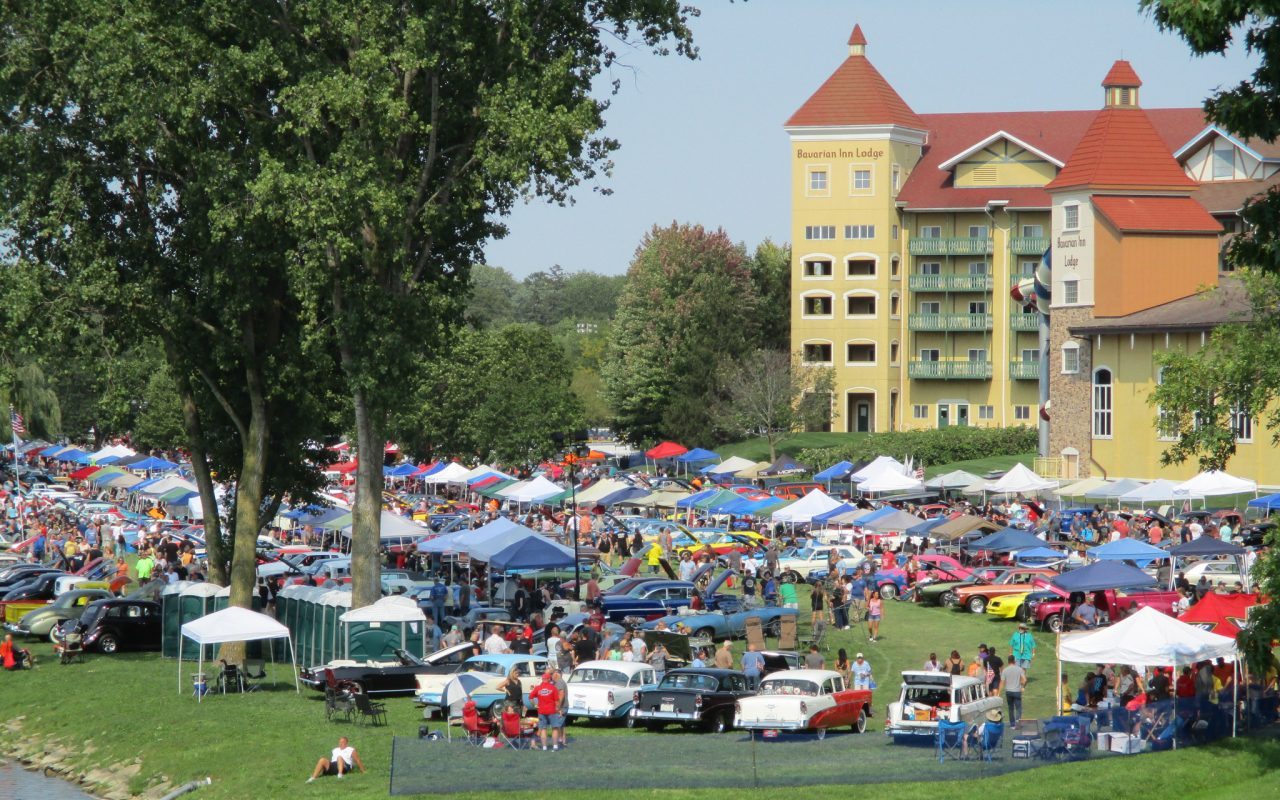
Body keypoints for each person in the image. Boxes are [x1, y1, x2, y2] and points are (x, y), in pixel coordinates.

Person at [531, 671, 561, 751]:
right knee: (554, 728)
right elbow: (557, 701)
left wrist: (535, 705)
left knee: (543, 728)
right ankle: (555, 746)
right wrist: (559, 709)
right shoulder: (553, 688)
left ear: (542, 679)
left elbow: (530, 697)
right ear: (549, 679)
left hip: (541, 711)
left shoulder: (537, 688)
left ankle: (544, 747)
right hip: (552, 710)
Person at [1001, 653, 1026, 728]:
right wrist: (1022, 686)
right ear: (1014, 661)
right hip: (1017, 691)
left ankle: (1012, 724)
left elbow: (1002, 682)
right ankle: (1018, 723)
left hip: (1008, 691)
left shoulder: (1005, 670)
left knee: (1010, 708)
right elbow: (1024, 680)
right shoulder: (1019, 669)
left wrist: (999, 692)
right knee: (1018, 708)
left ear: (1008, 661)